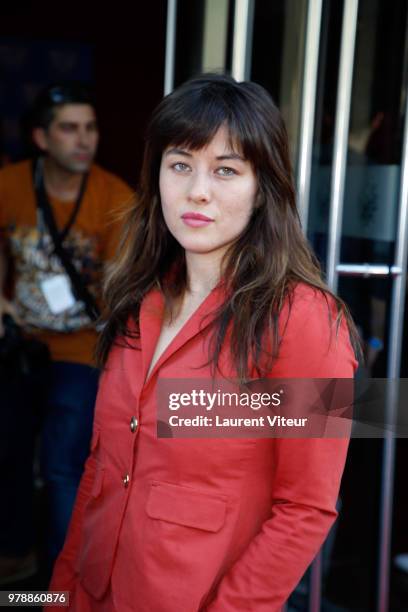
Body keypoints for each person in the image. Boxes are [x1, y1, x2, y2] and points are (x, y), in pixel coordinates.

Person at [49, 73, 358, 611]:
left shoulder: (308, 319)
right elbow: (101, 472)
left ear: (263, 187)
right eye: (180, 165)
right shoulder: (138, 300)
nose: (197, 190)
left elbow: (307, 507)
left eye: (226, 171)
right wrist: (55, 596)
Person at [0, 83, 133, 577]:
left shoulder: (114, 195)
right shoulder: (10, 184)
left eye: (91, 128)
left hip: (83, 350)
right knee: (10, 456)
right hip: (20, 345)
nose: (84, 140)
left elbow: (125, 284)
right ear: (41, 137)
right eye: (70, 128)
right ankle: (15, 559)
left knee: (61, 466)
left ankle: (62, 580)